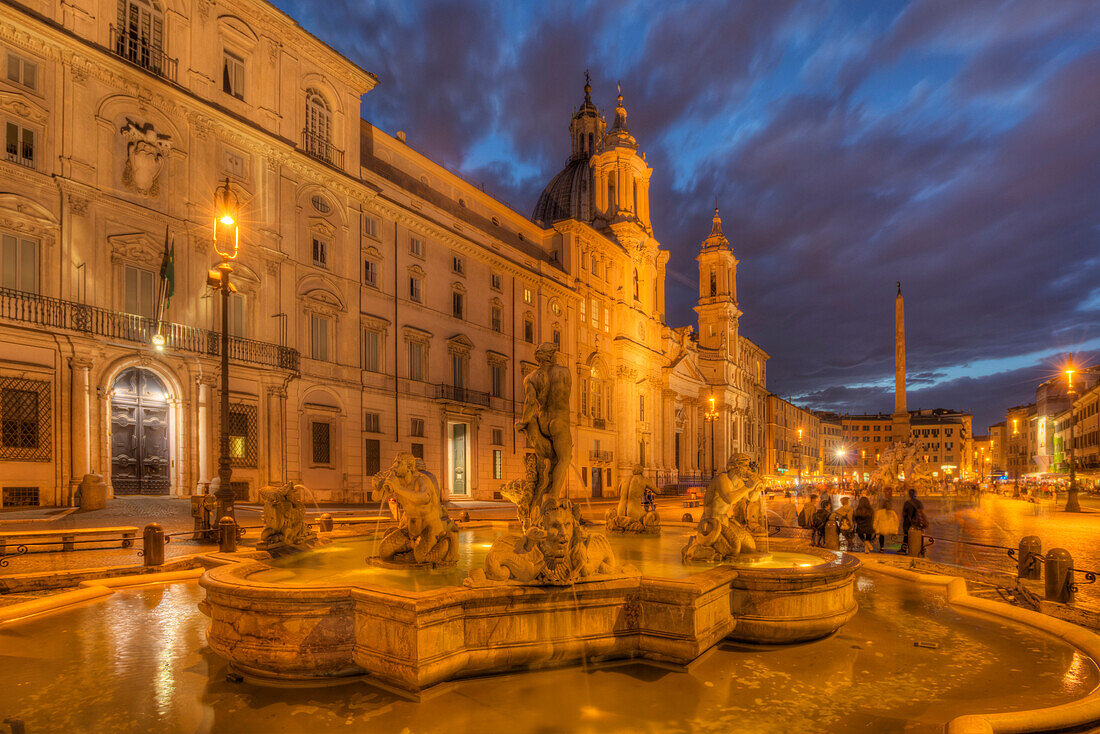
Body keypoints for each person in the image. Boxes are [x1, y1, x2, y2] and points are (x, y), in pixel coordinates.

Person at [901, 488, 927, 553]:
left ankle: (904, 549)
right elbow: (921, 512)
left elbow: (904, 513)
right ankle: (919, 549)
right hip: (917, 522)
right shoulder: (919, 503)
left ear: (909, 494)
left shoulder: (907, 503)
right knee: (919, 536)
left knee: (906, 536)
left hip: (908, 522)